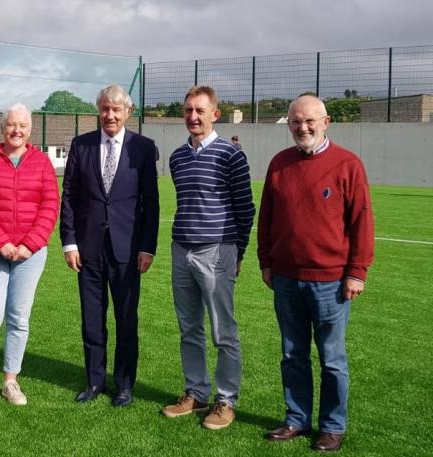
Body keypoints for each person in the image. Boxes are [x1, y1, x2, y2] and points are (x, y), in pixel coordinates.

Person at [258, 95, 374, 452]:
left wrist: (357, 272)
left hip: (331, 283)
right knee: (292, 354)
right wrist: (266, 262)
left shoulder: (347, 165)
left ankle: (332, 426)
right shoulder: (279, 164)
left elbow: (362, 223)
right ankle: (296, 419)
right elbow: (267, 218)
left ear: (326, 122)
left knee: (332, 360)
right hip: (287, 279)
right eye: (296, 122)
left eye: (309, 121)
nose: (302, 128)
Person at [60, 84, 159, 407]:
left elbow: (151, 203)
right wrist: (69, 242)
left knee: (126, 320)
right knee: (92, 319)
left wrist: (147, 247)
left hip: (127, 250)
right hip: (87, 249)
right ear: (98, 111)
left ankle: (124, 384)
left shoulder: (143, 148)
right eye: (105, 109)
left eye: (116, 110)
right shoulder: (81, 145)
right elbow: (70, 198)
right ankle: (94, 381)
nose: (110, 115)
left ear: (128, 113)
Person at [162, 86, 255, 430]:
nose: (193, 117)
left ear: (215, 114)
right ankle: (196, 392)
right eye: (188, 110)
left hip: (218, 250)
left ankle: (226, 400)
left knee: (223, 332)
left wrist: (238, 252)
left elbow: (246, 209)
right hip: (181, 250)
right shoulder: (177, 157)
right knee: (189, 328)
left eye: (200, 110)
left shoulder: (231, 155)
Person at [0, 103, 59, 410]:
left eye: (22, 125)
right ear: (2, 128)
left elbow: (49, 207)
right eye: (10, 125)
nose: (16, 130)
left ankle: (10, 380)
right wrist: (1, 242)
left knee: (19, 317)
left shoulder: (42, 162)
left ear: (30, 130)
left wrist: (30, 244)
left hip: (30, 254)